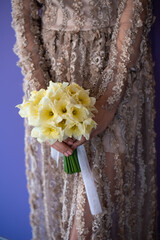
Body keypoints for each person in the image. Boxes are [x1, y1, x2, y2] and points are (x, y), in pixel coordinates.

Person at [11, 0, 157, 239]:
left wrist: (110, 97)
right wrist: (42, 102)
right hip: (53, 69)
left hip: (116, 61)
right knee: (64, 191)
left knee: (94, 207)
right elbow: (23, 16)